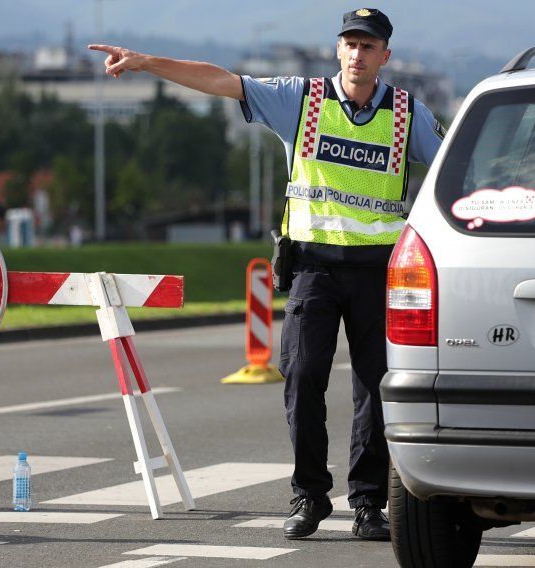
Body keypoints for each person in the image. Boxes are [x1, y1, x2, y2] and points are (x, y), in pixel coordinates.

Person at [90, 7, 444, 542]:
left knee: (375, 390)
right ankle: (309, 495)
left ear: (385, 56)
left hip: (377, 270)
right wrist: (146, 64)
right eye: (349, 43)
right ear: (337, 49)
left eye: (368, 46)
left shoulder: (407, 115)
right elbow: (221, 80)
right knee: (302, 378)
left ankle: (369, 504)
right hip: (314, 267)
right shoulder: (302, 99)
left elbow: (449, 171)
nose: (357, 53)